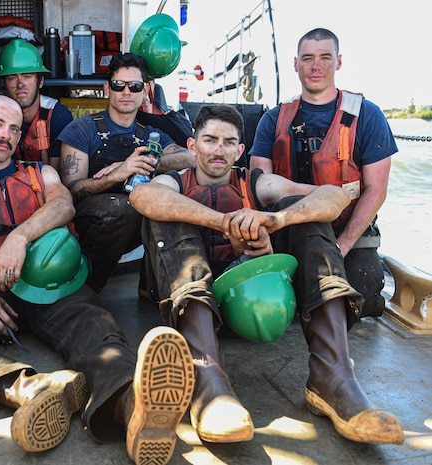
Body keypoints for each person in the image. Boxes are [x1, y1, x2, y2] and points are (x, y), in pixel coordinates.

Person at [0, 95, 195, 465]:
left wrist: (18, 238)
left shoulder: (42, 174)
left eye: (15, 128)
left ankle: (131, 408)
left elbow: (64, 205)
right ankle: (31, 389)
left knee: (97, 328)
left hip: (54, 288)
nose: (7, 134)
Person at [130, 104, 404, 445]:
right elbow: (142, 196)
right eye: (210, 140)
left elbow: (333, 196)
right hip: (189, 309)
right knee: (166, 215)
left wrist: (274, 221)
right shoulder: (171, 181)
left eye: (229, 142)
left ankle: (333, 377)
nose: (218, 150)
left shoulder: (255, 183)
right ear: (192, 145)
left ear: (240, 150)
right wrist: (225, 222)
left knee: (309, 218)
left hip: (246, 305)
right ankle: (207, 381)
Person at [249, 28, 396, 319]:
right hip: (291, 227)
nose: (316, 66)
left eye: (325, 57)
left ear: (338, 62)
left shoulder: (369, 115)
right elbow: (259, 184)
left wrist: (342, 246)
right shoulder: (273, 119)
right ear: (296, 64)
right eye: (308, 58)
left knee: (360, 299)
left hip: (348, 229)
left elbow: (376, 189)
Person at [58, 52, 194, 293]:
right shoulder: (81, 129)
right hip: (89, 221)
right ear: (107, 89)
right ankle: (85, 289)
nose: (126, 92)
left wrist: (145, 161)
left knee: (170, 204)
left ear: (145, 90)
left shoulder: (152, 135)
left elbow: (189, 157)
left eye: (135, 86)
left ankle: (155, 289)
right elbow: (72, 189)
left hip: (134, 217)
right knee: (127, 208)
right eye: (119, 85)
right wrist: (118, 173)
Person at [0, 39, 74, 171]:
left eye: (27, 76)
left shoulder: (57, 115)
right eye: (12, 78)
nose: (20, 84)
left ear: (41, 81)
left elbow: (57, 175)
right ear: (4, 85)